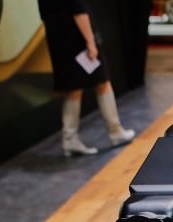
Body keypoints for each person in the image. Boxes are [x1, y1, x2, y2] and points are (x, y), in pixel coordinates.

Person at [37, 0, 134, 157]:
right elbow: (78, 9)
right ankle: (115, 131)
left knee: (74, 88)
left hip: (58, 40)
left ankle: (70, 138)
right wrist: (90, 41)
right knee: (102, 82)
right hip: (77, 40)